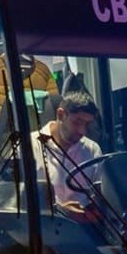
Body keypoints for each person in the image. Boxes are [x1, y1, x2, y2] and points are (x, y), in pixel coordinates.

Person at [33, 91, 104, 223]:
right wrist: (60, 211)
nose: (82, 131)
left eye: (87, 124)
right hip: (43, 230)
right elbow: (20, 204)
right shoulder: (30, 146)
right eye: (77, 122)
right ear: (61, 115)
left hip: (84, 230)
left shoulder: (92, 150)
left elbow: (101, 200)